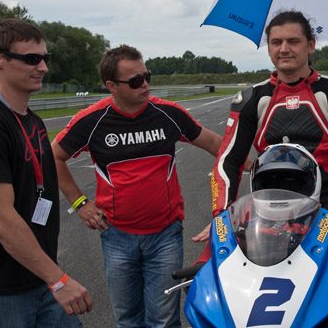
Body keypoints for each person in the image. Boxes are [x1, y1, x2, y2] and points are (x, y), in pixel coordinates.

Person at [51, 45, 222, 328]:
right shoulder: (92, 120)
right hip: (116, 236)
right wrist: (80, 203)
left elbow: (218, 145)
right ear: (112, 86)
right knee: (128, 320)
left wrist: (259, 167)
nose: (145, 85)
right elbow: (52, 156)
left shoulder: (168, 113)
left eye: (147, 76)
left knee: (164, 320)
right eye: (135, 81)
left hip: (165, 234)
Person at [200, 10, 328, 263]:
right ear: (269, 48)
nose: (284, 49)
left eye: (293, 41)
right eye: (276, 42)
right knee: (208, 270)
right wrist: (220, 216)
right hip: (265, 209)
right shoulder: (250, 99)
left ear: (311, 45)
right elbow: (227, 161)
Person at [0, 19, 91, 327]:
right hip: (3, 290)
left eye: (44, 58)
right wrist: (58, 280)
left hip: (41, 276)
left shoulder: (34, 121)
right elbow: (0, 218)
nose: (42, 67)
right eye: (31, 59)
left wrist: (51, 276)